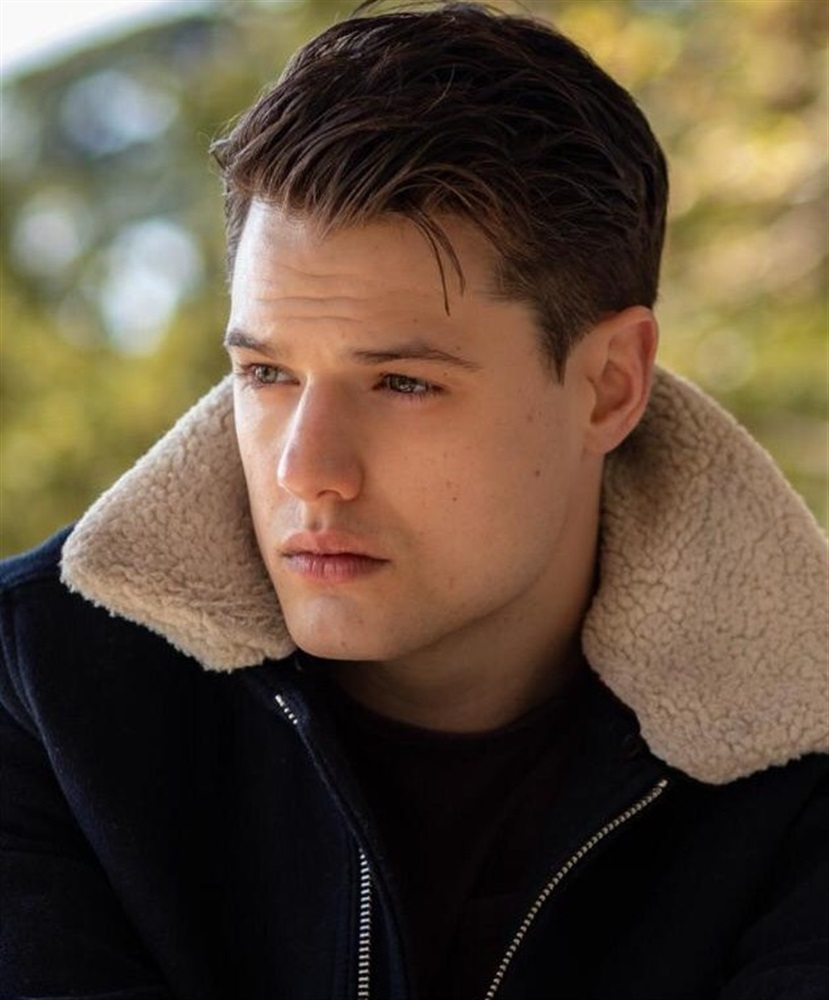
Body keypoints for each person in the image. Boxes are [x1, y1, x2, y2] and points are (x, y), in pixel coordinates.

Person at [1, 2, 827, 997]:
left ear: (609, 385)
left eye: (402, 383)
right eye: (267, 374)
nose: (307, 469)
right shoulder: (38, 688)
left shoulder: (806, 750)